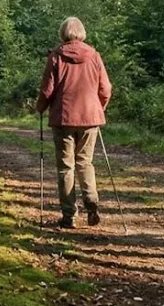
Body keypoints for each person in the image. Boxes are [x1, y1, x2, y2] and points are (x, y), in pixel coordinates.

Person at [36, 17, 112, 229]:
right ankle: (92, 200)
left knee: (65, 167)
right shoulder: (94, 56)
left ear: (63, 34)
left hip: (63, 118)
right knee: (84, 162)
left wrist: (40, 107)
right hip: (90, 118)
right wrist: (99, 108)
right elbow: (105, 88)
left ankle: (69, 215)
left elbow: (47, 90)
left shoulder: (55, 56)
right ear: (82, 33)